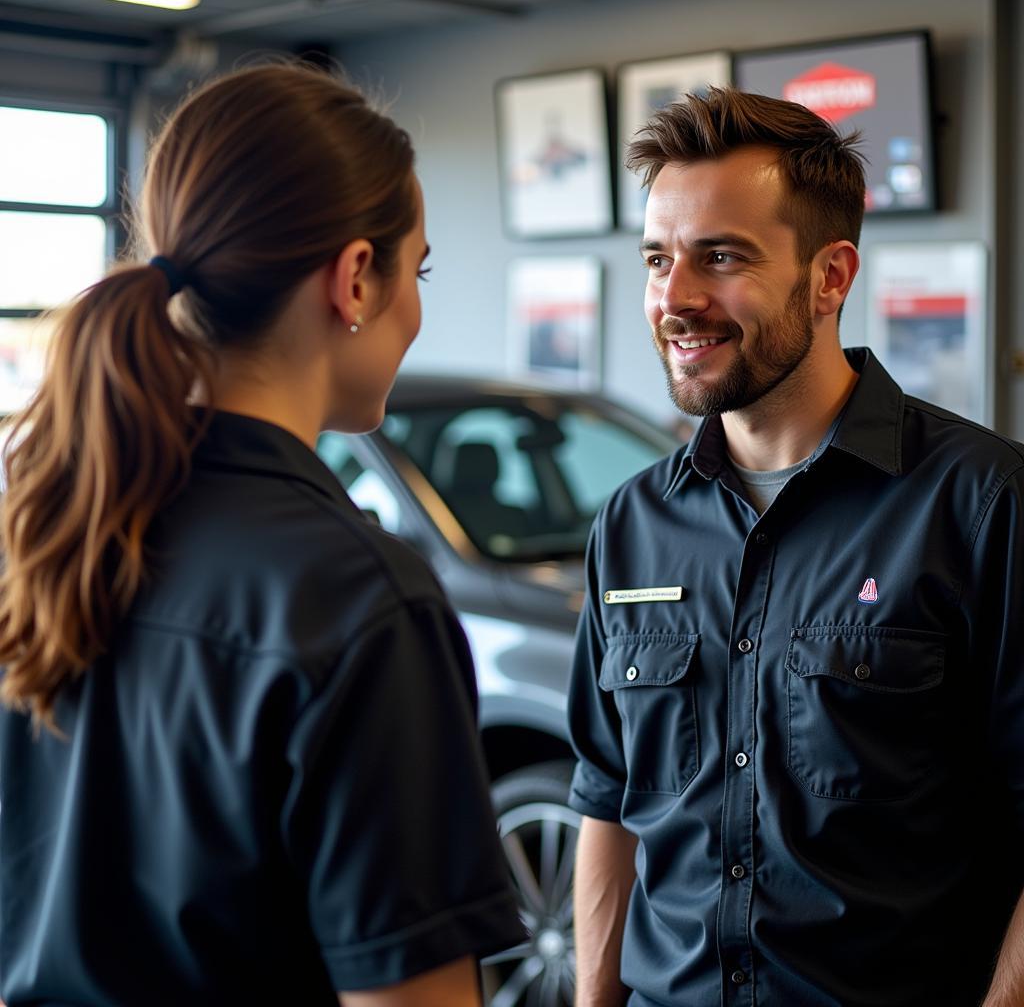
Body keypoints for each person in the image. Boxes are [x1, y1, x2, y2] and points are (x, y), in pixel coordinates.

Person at [0, 63, 524, 1006]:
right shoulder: (359, 598)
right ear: (356, 279)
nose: (417, 306)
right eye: (421, 269)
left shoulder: (46, 533)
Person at [568, 88, 1024, 1007]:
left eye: (722, 256)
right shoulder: (630, 524)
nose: (675, 298)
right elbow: (609, 802)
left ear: (829, 277)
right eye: (659, 258)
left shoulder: (982, 504)